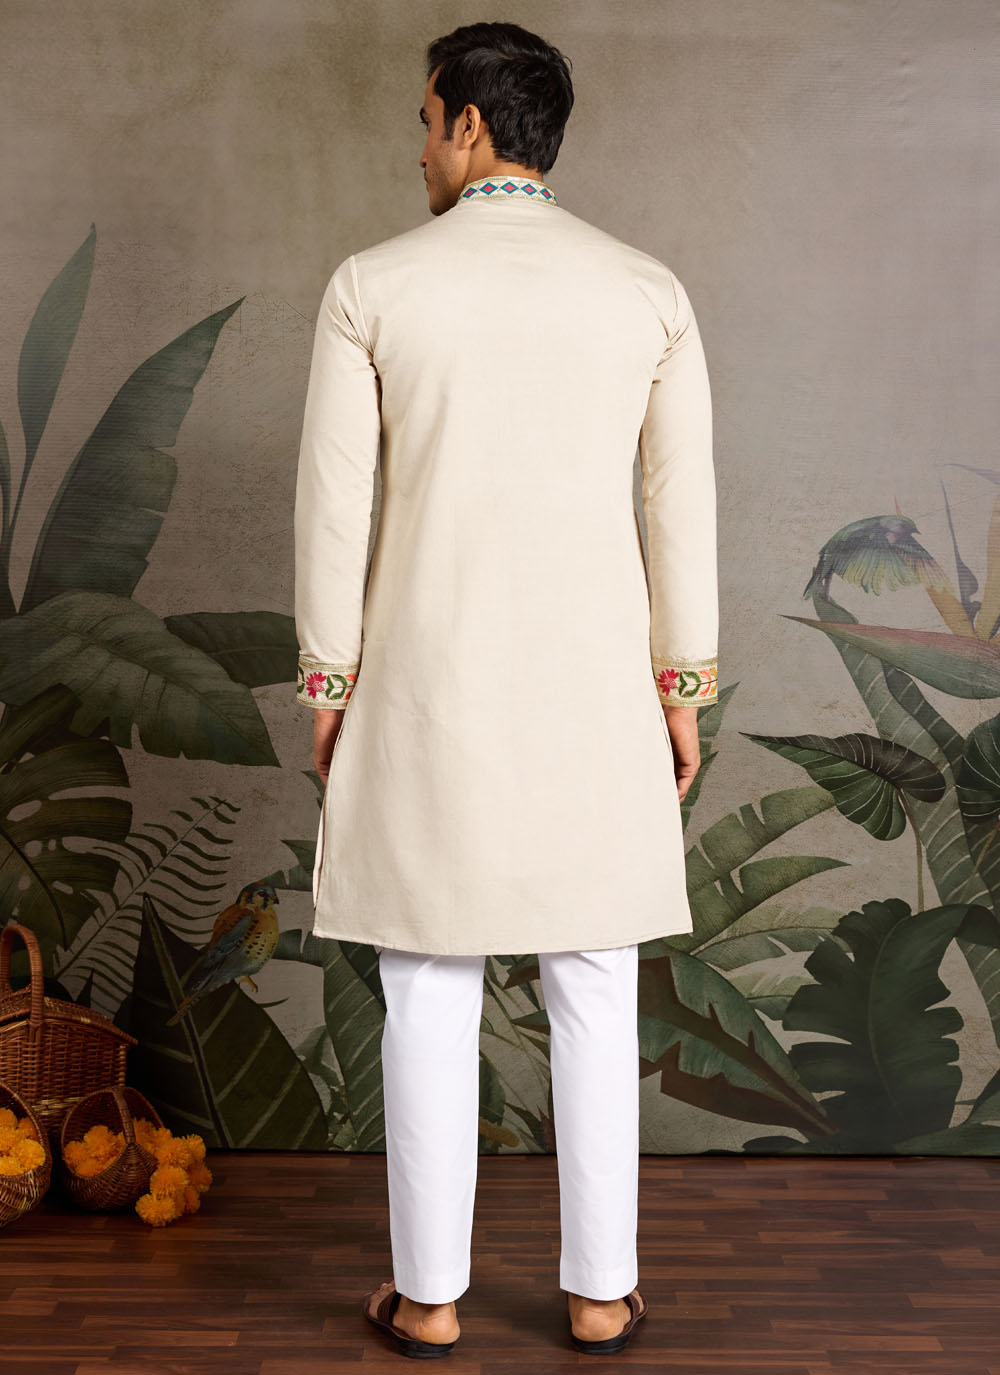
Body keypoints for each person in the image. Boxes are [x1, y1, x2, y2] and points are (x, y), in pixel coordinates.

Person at [293, 20, 718, 1359]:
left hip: (427, 687)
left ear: (469, 125)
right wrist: (682, 689)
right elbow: (680, 513)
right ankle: (599, 1294)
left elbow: (333, 509)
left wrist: (328, 686)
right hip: (596, 692)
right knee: (594, 977)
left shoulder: (372, 286)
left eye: (426, 123)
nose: (418, 149)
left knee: (428, 981)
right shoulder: (647, 291)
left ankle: (429, 1300)